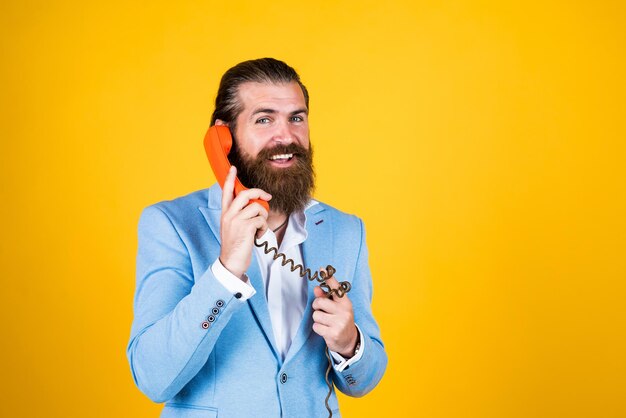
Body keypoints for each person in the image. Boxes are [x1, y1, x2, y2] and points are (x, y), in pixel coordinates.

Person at [127, 58, 387, 418]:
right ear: (223, 136)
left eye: (296, 118)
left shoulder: (346, 230)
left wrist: (349, 343)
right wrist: (226, 271)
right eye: (264, 119)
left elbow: (365, 380)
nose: (286, 137)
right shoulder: (171, 225)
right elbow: (153, 378)